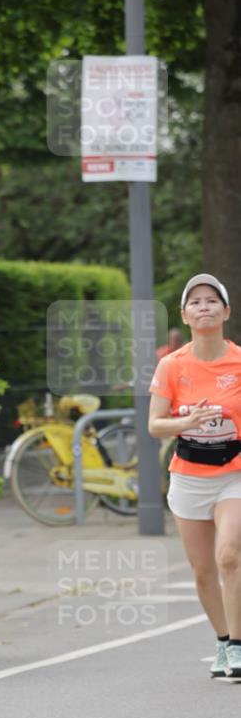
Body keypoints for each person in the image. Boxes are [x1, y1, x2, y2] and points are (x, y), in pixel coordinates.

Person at [149, 274, 241, 680]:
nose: (204, 307)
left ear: (226, 311)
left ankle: (238, 647)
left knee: (229, 556)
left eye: (212, 300)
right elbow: (155, 425)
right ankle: (222, 641)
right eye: (196, 302)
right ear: (185, 316)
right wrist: (189, 420)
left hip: (234, 472)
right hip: (189, 475)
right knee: (203, 570)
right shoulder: (172, 365)